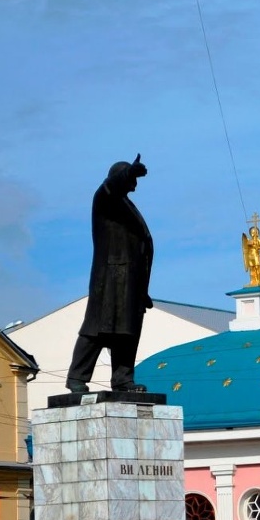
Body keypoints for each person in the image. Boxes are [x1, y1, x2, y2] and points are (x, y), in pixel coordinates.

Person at [66, 154, 154, 393]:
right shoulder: (105, 198)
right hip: (110, 278)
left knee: (127, 332)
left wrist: (142, 289)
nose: (135, 184)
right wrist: (129, 172)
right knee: (96, 329)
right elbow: (110, 187)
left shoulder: (127, 203)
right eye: (131, 178)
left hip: (131, 281)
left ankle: (123, 379)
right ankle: (76, 377)